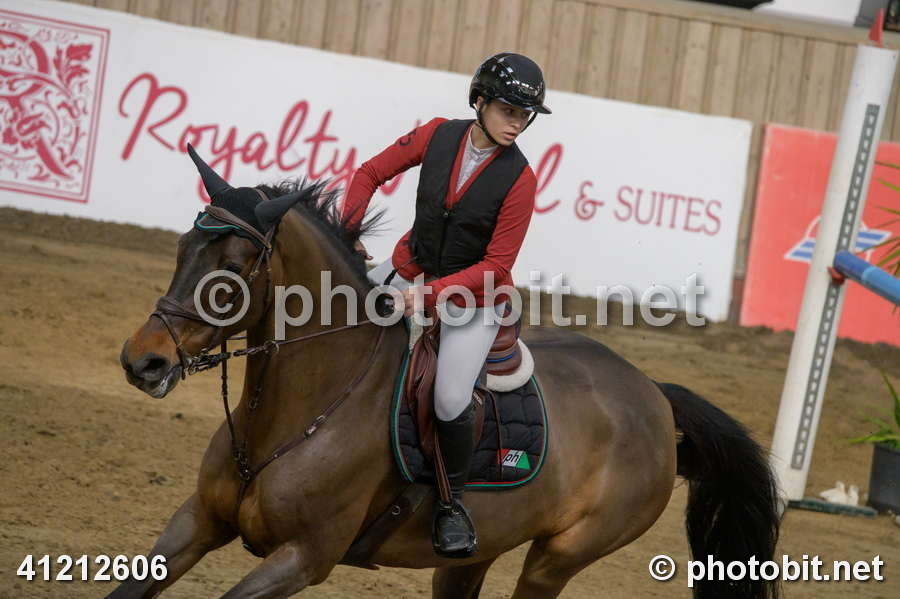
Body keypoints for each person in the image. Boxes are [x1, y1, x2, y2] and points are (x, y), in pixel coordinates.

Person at [341, 52, 551, 558]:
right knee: (337, 318)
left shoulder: (521, 179)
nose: (516, 123)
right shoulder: (436, 134)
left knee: (451, 398)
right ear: (479, 101)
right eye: (507, 110)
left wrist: (425, 296)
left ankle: (450, 503)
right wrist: (348, 230)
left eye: (525, 115)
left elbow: (496, 266)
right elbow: (368, 173)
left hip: (474, 300)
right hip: (409, 266)